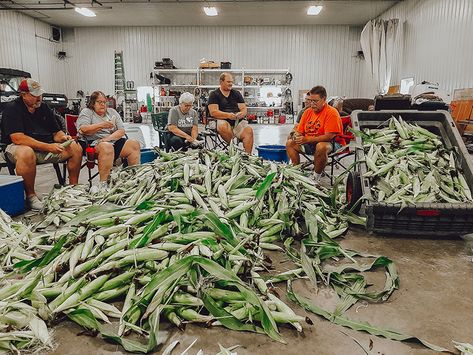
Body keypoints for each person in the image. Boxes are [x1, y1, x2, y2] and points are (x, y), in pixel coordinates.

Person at [1, 79, 83, 211]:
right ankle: (31, 197)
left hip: (46, 146)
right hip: (17, 147)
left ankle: (73, 188)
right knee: (26, 152)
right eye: (34, 95)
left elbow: (56, 132)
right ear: (23, 94)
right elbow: (18, 138)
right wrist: (47, 147)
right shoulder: (12, 109)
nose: (38, 98)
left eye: (39, 94)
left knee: (74, 147)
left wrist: (63, 137)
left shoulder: (43, 107)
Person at [77, 91, 141, 192]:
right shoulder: (87, 112)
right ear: (93, 103)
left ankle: (134, 179)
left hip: (111, 140)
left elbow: (121, 131)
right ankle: (103, 184)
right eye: (99, 102)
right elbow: (83, 129)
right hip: (94, 143)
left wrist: (107, 138)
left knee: (134, 144)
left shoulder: (112, 112)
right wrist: (102, 125)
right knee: (107, 147)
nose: (103, 104)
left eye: (104, 102)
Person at [286, 85, 345, 183]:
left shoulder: (331, 113)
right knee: (290, 143)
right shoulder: (307, 112)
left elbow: (329, 136)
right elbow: (299, 130)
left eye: (315, 101)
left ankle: (316, 176)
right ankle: (296, 171)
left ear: (324, 99)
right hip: (310, 143)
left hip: (332, 143)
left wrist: (306, 139)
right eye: (310, 100)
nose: (312, 104)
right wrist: (296, 135)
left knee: (321, 146)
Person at [208, 73, 254, 154]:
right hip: (220, 120)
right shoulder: (214, 94)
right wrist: (228, 115)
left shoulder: (236, 93)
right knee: (222, 125)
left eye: (231, 82)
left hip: (236, 121)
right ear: (221, 82)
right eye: (228, 82)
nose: (231, 84)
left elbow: (243, 108)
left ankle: (248, 156)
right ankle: (234, 147)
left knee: (249, 131)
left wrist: (241, 114)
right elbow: (213, 112)